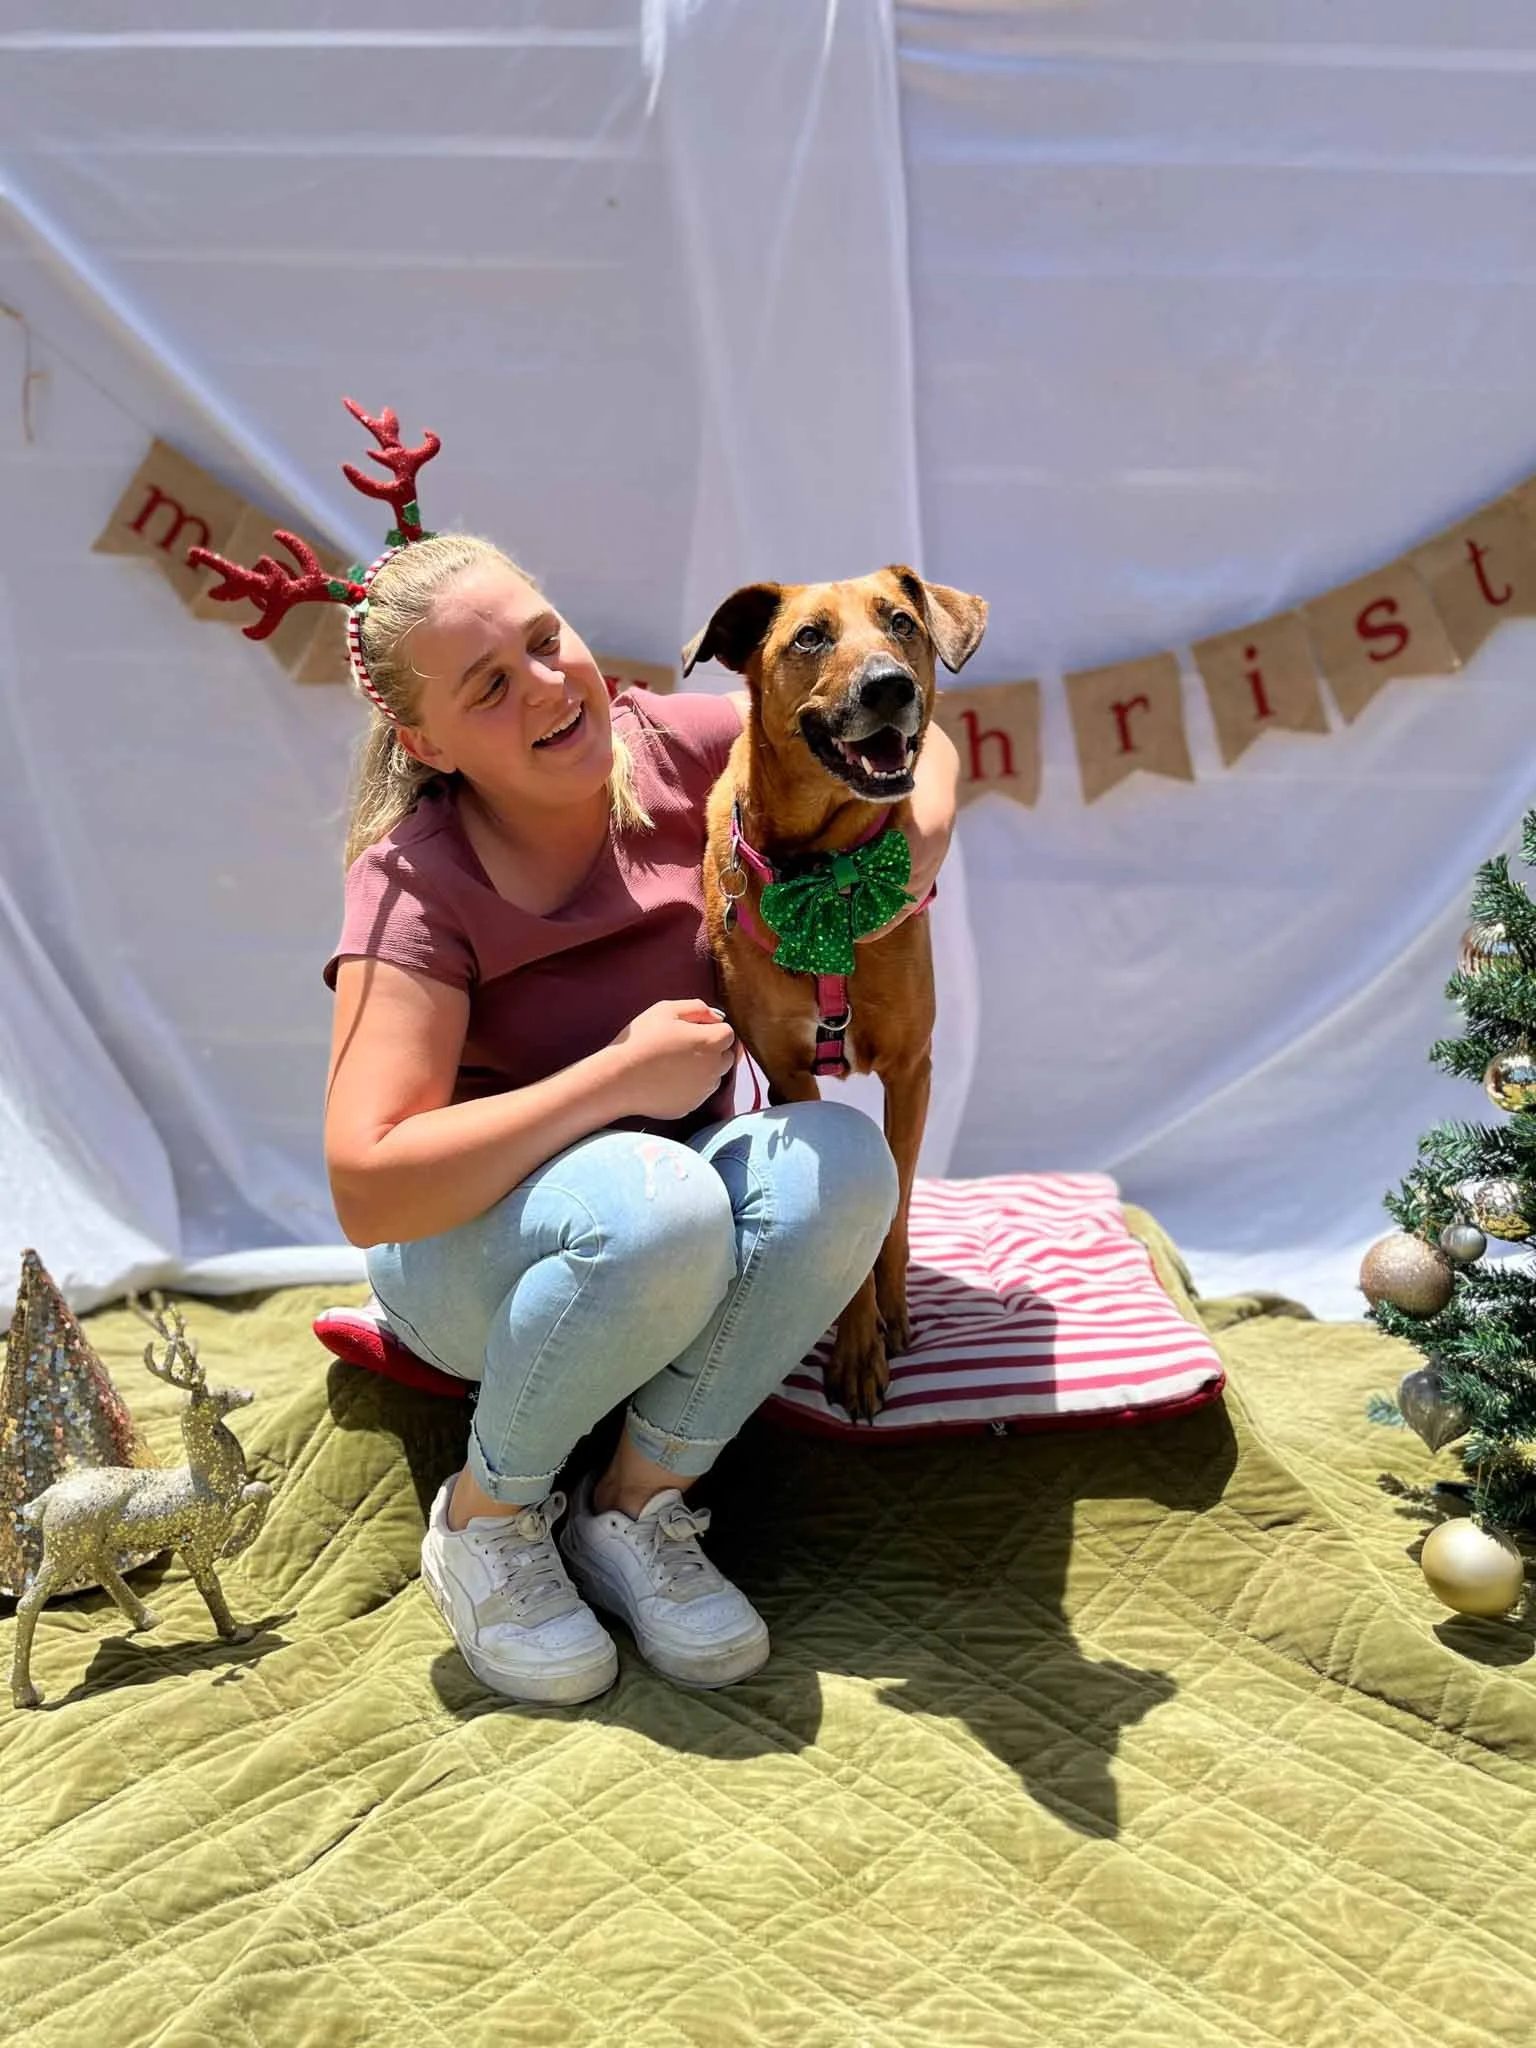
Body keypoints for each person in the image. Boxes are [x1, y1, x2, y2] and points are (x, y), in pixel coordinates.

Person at [318, 532, 960, 1705]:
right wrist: (613, 1080)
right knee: (658, 1196)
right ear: (426, 743)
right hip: (472, 1259)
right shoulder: (414, 884)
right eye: (489, 686)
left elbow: (909, 725)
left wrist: (903, 868)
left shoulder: (674, 745)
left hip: (667, 1239)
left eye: (544, 640)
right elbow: (369, 1184)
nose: (549, 686)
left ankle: (632, 1509)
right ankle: (487, 1519)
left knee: (841, 1163)